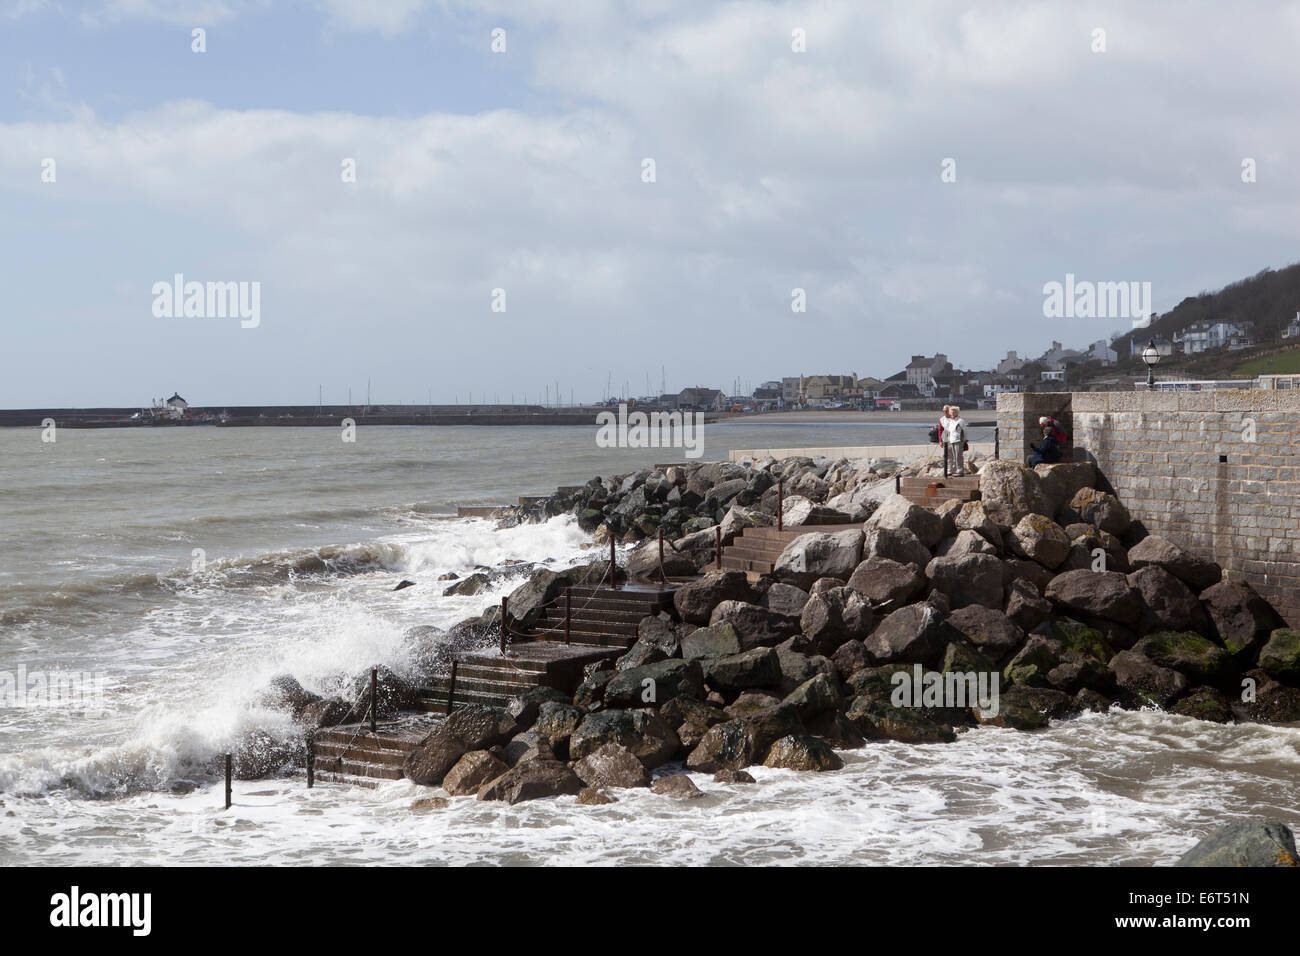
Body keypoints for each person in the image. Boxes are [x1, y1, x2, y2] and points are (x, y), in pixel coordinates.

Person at [942, 405, 967, 476]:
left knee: (958, 456)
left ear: (957, 413)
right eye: (951, 412)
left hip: (958, 441)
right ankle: (956, 469)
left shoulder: (960, 421)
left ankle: (960, 470)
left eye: (954, 412)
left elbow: (965, 431)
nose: (952, 413)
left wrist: (963, 439)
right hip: (951, 440)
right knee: (953, 457)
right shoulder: (951, 421)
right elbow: (949, 431)